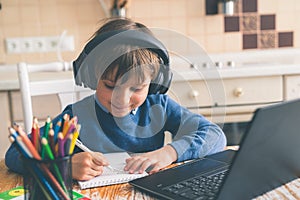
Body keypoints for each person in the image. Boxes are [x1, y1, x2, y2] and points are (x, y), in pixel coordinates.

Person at [5, 18, 226, 181]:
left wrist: (169, 152)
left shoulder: (159, 107)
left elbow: (215, 136)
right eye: (110, 86)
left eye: (137, 88)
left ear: (155, 82)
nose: (121, 99)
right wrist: (62, 167)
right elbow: (15, 153)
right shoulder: (77, 116)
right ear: (92, 78)